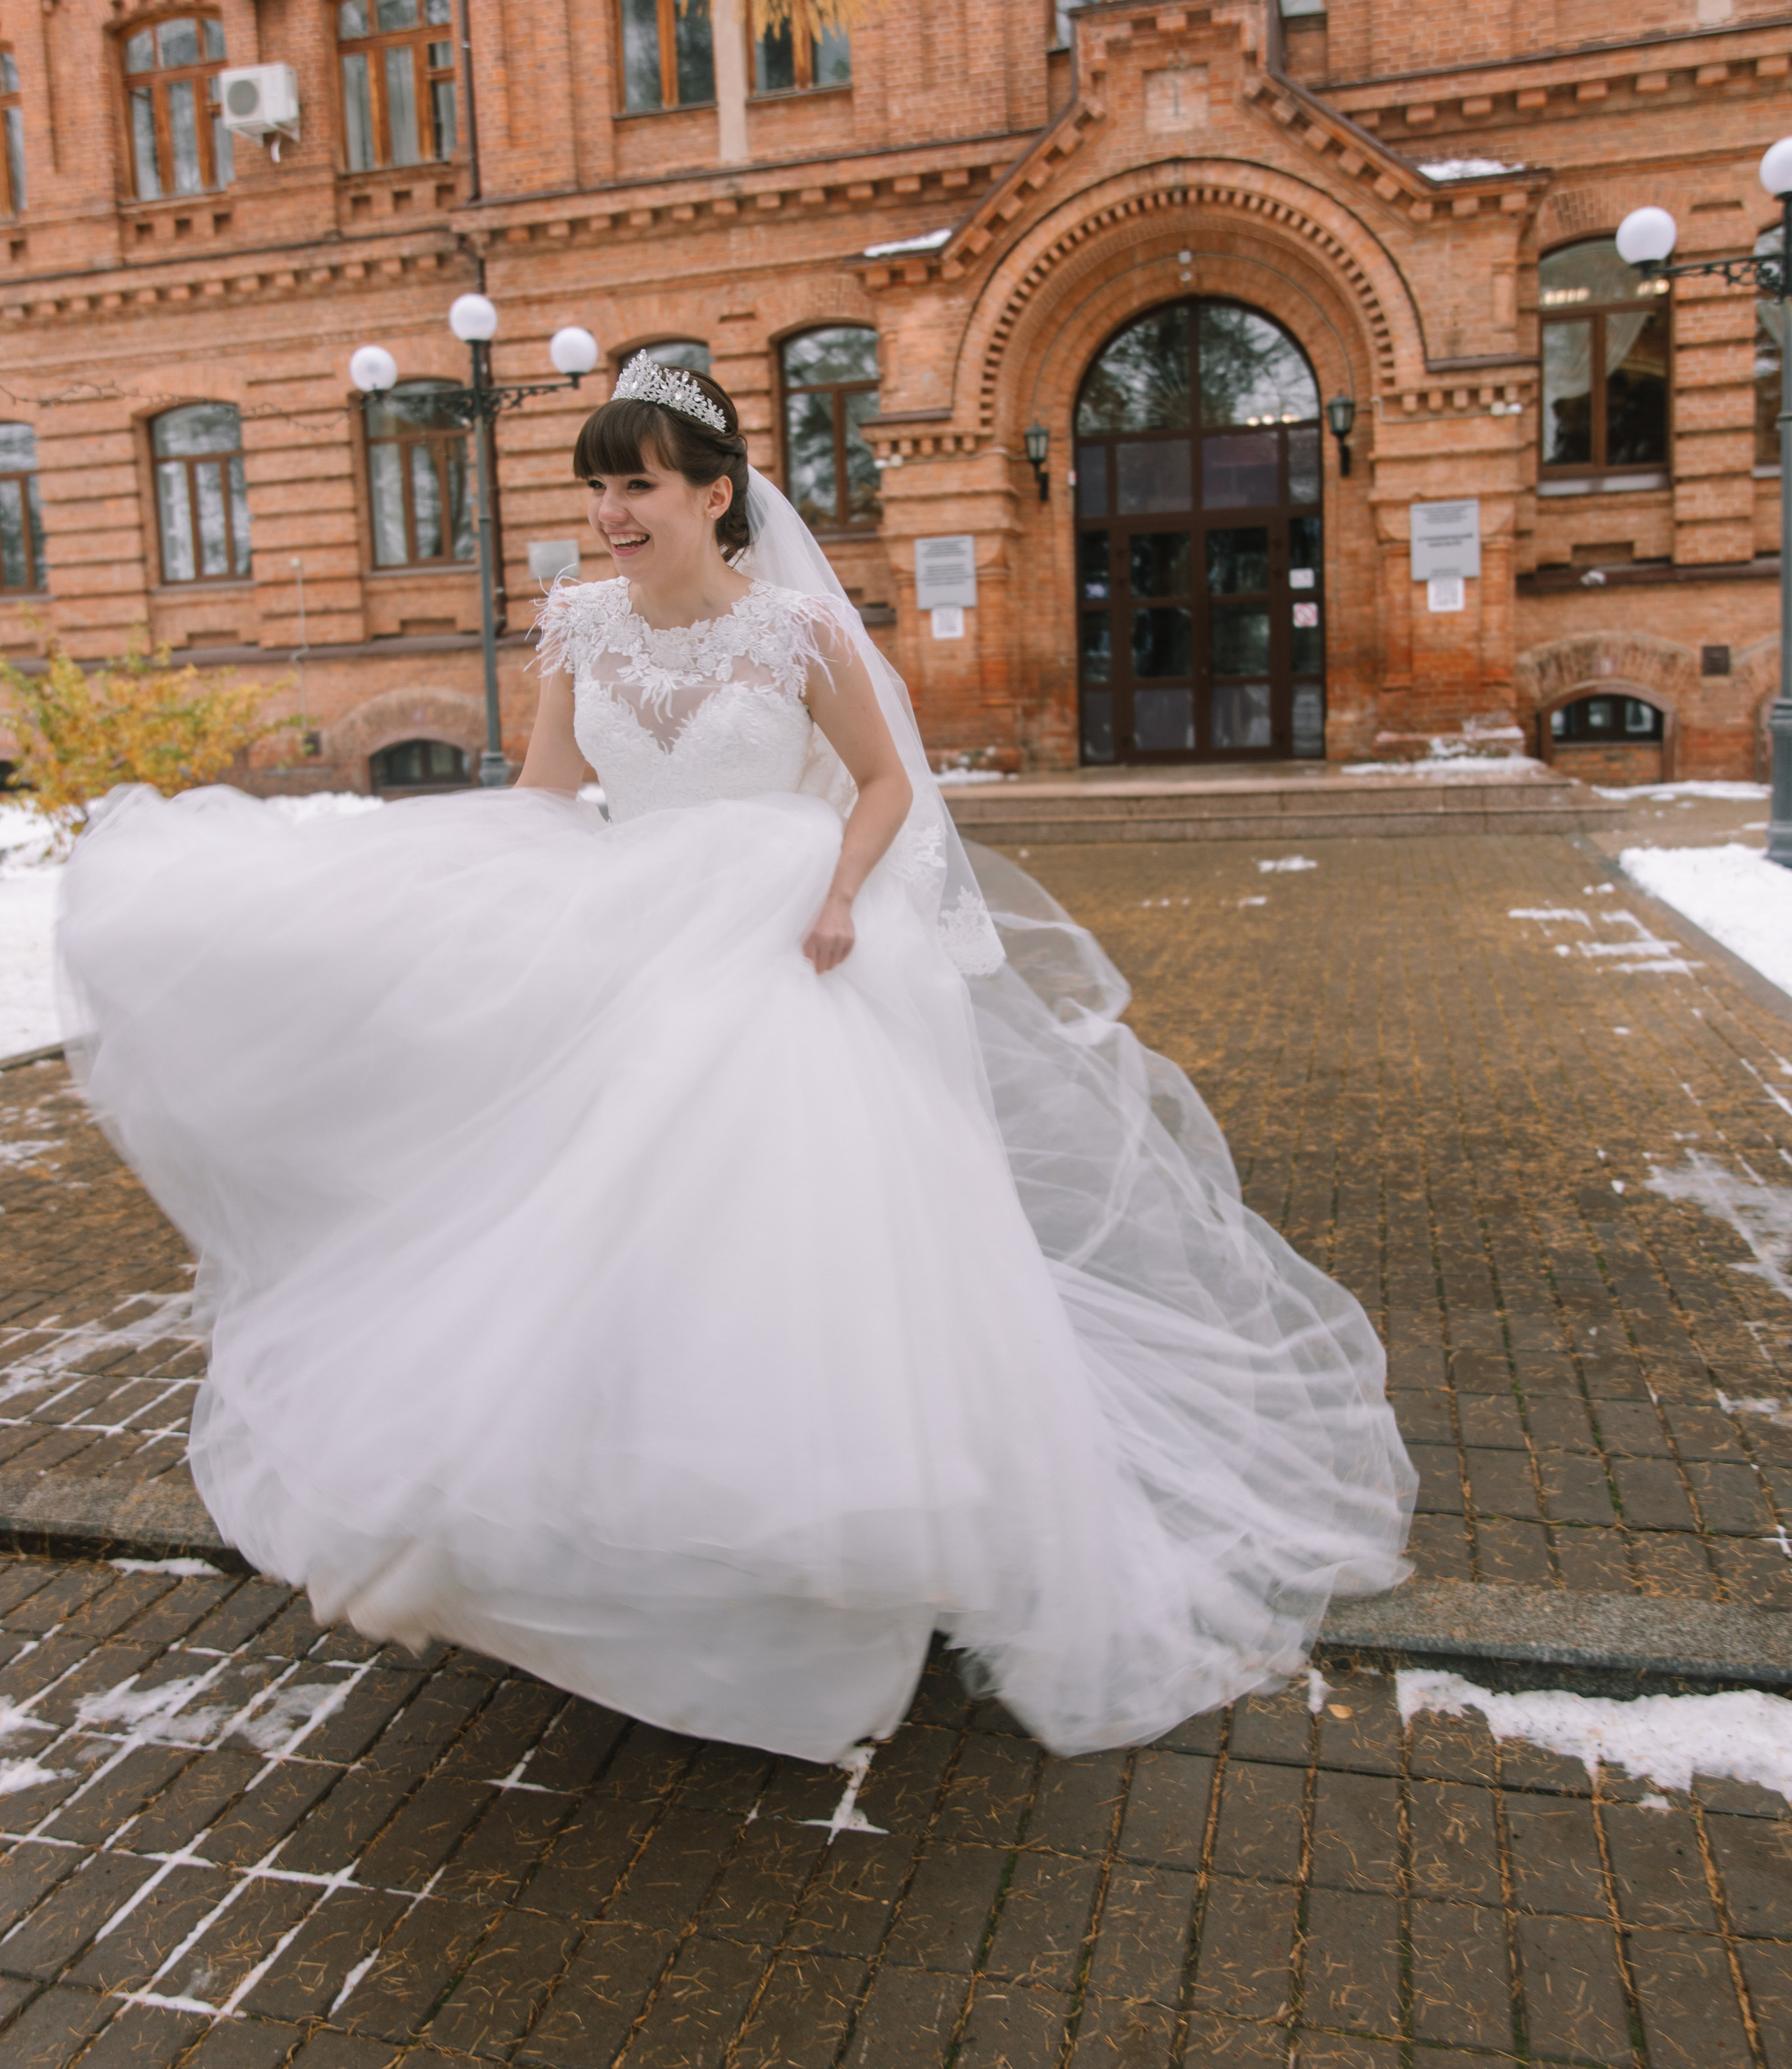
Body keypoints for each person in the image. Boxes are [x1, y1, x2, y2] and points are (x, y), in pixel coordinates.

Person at [57, 356, 1413, 1765]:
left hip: (780, 947)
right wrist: (440, 901)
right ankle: (627, 1522)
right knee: (601, 1227)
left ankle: (817, 1525)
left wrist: (837, 895)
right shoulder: (578, 630)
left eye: (635, 483)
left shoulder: (792, 635)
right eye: (597, 485)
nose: (609, 512)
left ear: (715, 495)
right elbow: (540, 801)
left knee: (776, 1232)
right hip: (631, 940)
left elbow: (886, 783)